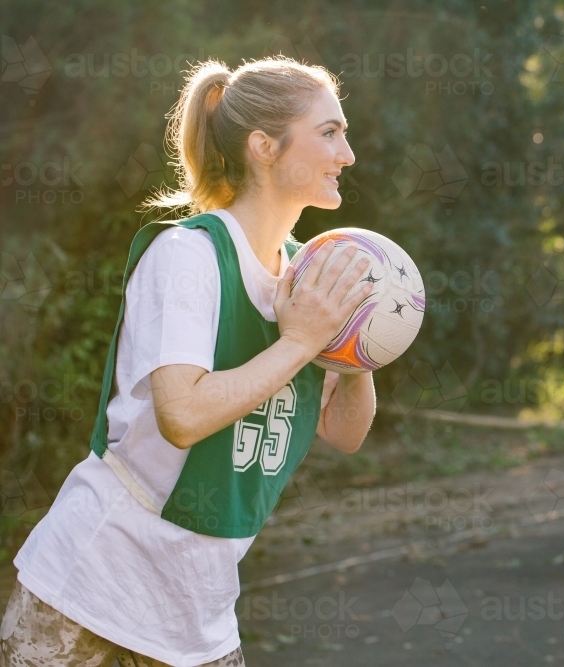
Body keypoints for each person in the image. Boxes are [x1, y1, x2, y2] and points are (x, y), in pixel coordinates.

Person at [1, 56, 376, 666]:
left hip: (196, 607)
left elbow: (345, 431)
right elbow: (183, 414)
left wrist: (359, 348)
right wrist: (302, 341)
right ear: (264, 146)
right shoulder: (188, 255)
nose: (349, 153)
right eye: (329, 132)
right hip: (90, 588)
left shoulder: (311, 276)